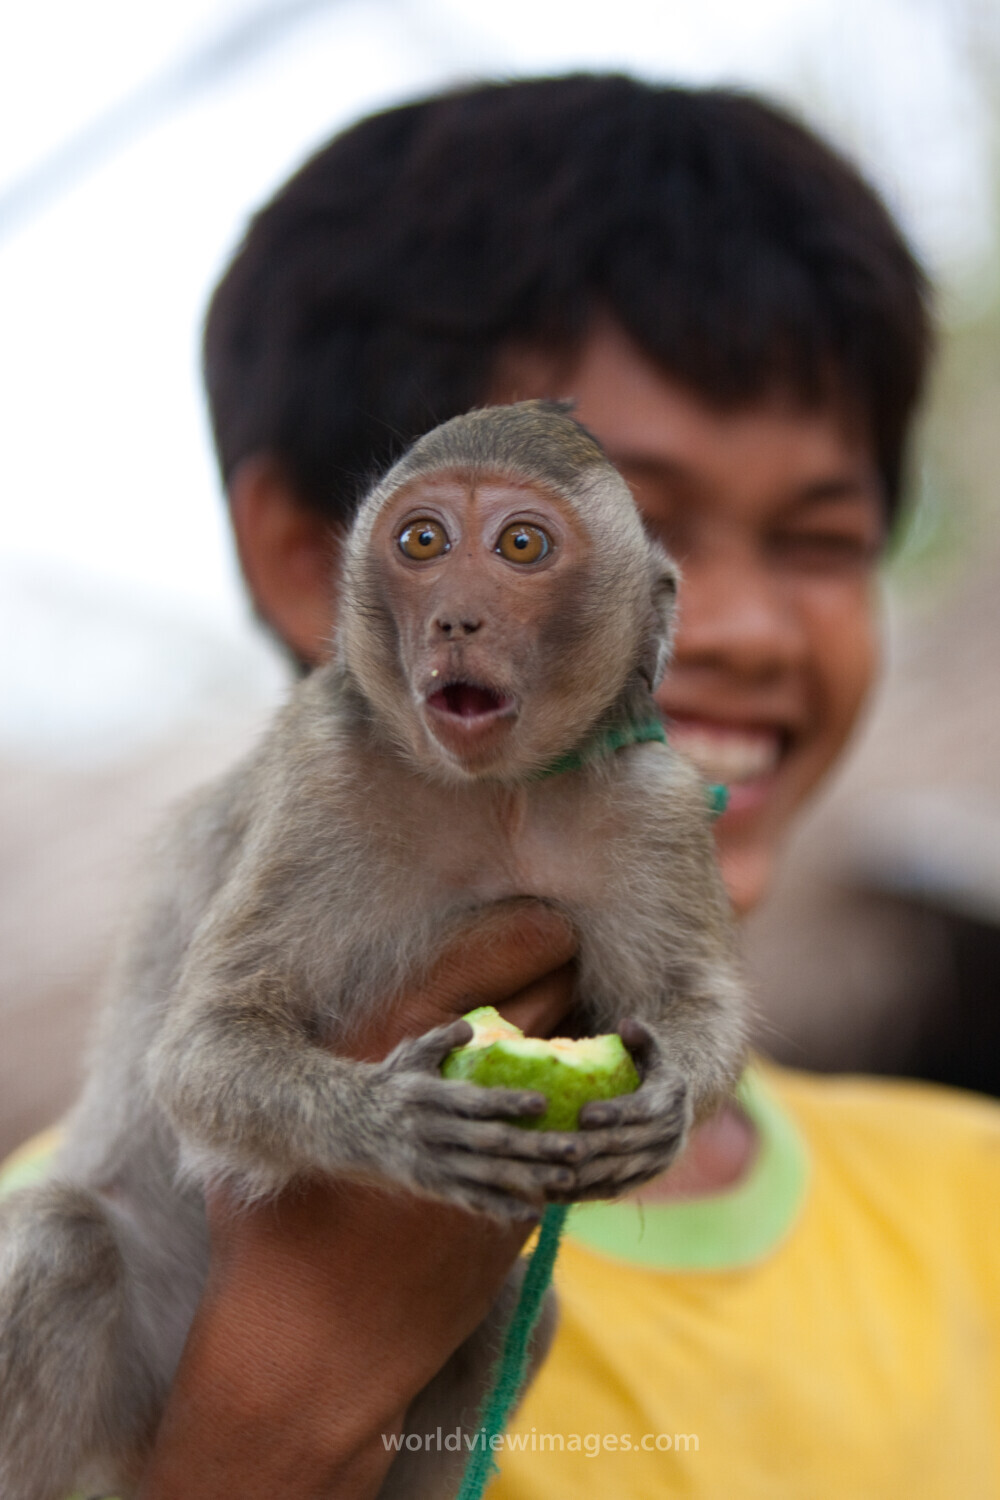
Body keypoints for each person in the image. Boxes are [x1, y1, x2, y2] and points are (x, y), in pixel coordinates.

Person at [5, 73, 999, 1498]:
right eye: (427, 546)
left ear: (643, 614)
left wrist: (674, 1079)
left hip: (480, 1335)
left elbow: (695, 1008)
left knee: (515, 1331)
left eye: (818, 538)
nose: (753, 629)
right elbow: (203, 1062)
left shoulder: (970, 1201)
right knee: (51, 1259)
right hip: (130, 1334)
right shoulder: (333, 784)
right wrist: (285, 1381)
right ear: (320, 562)